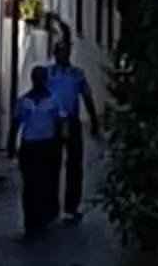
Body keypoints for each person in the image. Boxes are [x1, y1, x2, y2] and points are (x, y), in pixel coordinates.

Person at [48, 35, 102, 220]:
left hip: (71, 121)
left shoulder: (77, 74)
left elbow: (86, 96)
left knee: (74, 164)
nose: (63, 55)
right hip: (53, 121)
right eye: (60, 52)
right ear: (55, 54)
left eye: (66, 52)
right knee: (51, 164)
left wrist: (94, 120)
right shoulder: (48, 74)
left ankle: (71, 206)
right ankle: (51, 205)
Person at [9, 65, 64, 237]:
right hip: (29, 146)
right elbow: (16, 123)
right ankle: (30, 219)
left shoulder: (54, 100)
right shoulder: (24, 101)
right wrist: (11, 144)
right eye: (37, 77)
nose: (39, 80)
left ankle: (42, 216)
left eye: (42, 77)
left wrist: (61, 142)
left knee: (45, 182)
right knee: (30, 183)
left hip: (48, 145)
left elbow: (60, 122)